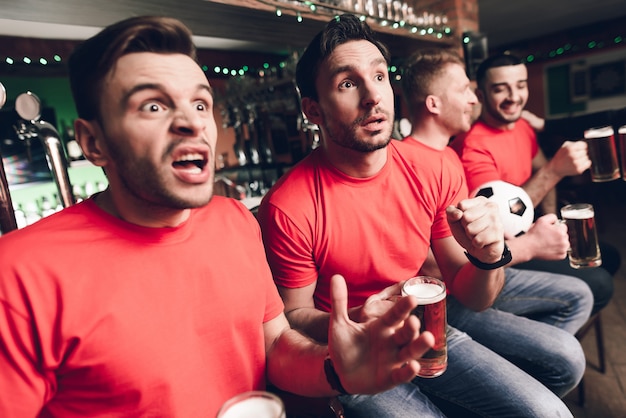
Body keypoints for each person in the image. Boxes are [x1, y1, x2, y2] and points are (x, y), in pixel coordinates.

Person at [0, 16, 439, 417]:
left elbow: (276, 347)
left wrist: (337, 370)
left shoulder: (235, 221)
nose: (191, 124)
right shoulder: (19, 272)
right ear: (92, 143)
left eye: (200, 104)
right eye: (153, 106)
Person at [258, 14, 583, 417]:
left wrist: (488, 255)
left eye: (379, 77)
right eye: (347, 83)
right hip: (355, 351)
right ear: (314, 110)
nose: (372, 96)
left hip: (428, 325)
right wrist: (358, 316)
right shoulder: (288, 206)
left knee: (548, 411)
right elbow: (292, 316)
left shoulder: (436, 166)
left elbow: (473, 296)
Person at [451, 53, 616, 314]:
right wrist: (555, 170)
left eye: (520, 85)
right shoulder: (474, 146)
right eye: (500, 89)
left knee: (609, 256)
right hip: (505, 254)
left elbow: (539, 167)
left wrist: (550, 220)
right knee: (600, 283)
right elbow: (500, 222)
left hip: (532, 232)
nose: (514, 97)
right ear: (480, 96)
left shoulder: (521, 127)